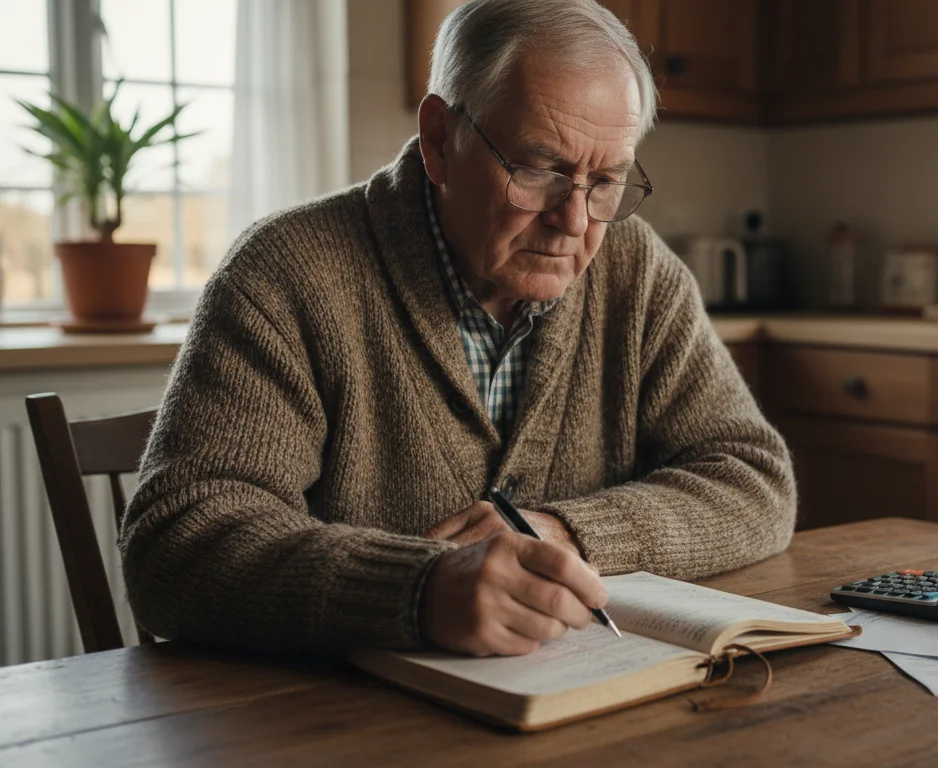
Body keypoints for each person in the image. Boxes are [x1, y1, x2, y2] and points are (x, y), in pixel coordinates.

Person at [119, 0, 794, 657]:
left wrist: (564, 533)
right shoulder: (286, 274)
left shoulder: (636, 269)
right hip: (335, 727)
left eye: (606, 179)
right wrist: (417, 591)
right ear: (441, 140)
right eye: (539, 168)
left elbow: (753, 479)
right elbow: (178, 543)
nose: (575, 219)